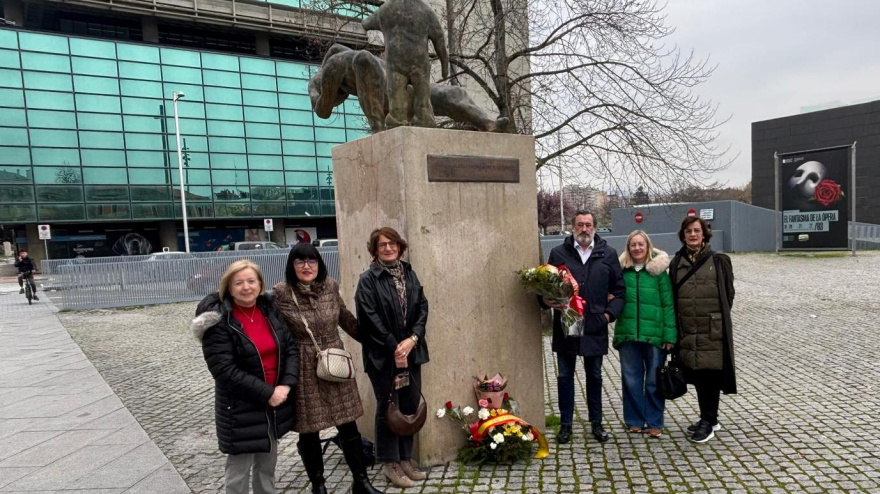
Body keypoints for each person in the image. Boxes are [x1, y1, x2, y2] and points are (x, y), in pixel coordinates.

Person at [271, 243, 382, 494]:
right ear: (292, 265)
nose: (307, 266)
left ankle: (361, 482)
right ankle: (318, 486)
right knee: (309, 430)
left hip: (335, 360)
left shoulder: (330, 286)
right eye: (300, 262)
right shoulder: (280, 293)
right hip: (303, 364)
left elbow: (344, 317)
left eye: (312, 261)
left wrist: (377, 341)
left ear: (319, 264)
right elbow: (275, 333)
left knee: (348, 424)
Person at [191, 260, 299, 494]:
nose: (246, 287)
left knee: (267, 466)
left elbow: (290, 348)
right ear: (228, 287)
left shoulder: (269, 310)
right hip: (240, 406)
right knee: (239, 472)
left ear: (260, 284)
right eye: (238, 283)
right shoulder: (218, 320)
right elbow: (224, 371)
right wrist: (267, 393)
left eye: (251, 281)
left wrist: (285, 385)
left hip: (275, 402)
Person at [540, 210, 625, 444]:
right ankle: (565, 424)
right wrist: (544, 301)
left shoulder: (608, 254)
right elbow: (546, 287)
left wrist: (608, 316)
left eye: (588, 224)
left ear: (594, 227)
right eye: (580, 225)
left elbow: (619, 292)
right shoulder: (558, 253)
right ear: (573, 227)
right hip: (568, 322)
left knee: (595, 376)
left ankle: (596, 423)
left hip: (596, 324)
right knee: (565, 376)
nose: (584, 229)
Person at [355, 227, 429, 488]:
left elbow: (422, 306)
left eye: (392, 243)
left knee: (408, 405)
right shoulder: (368, 280)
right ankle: (389, 462)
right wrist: (395, 347)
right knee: (388, 407)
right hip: (382, 357)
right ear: (375, 250)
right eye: (382, 245)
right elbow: (369, 318)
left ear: (400, 246)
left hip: (412, 351)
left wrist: (413, 339)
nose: (388, 248)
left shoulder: (409, 273)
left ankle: (405, 458)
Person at [668, 216, 736, 443]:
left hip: (711, 328)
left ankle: (709, 420)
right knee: (696, 373)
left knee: (710, 374)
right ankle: (708, 417)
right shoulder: (677, 262)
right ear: (683, 235)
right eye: (688, 231)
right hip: (687, 326)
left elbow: (729, 294)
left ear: (704, 234)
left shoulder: (719, 260)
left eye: (697, 231)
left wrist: (717, 319)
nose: (693, 235)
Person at [613, 230, 676, 437]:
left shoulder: (658, 273)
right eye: (633, 245)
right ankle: (634, 420)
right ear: (628, 248)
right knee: (631, 380)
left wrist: (669, 336)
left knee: (653, 381)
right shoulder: (622, 272)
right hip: (628, 335)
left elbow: (668, 305)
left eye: (641, 244)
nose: (637, 248)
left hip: (655, 335)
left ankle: (655, 421)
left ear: (648, 246)